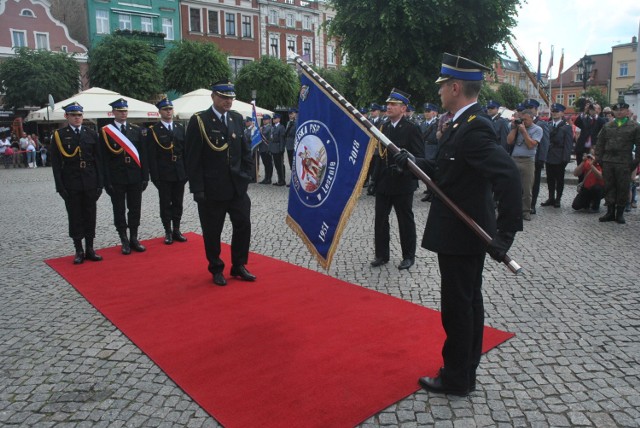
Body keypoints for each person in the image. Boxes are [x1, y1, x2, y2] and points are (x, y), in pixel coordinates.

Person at [394, 52, 522, 396]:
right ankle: (463, 372)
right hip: (457, 233)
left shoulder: (474, 126)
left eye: (441, 87)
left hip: (463, 235)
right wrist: (412, 161)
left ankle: (456, 378)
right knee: (467, 303)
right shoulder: (461, 123)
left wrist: (505, 234)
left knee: (459, 308)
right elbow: (448, 173)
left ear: (454, 87)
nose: (438, 93)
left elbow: (508, 175)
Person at [185, 80, 255, 286]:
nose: (228, 101)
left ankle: (239, 265)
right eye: (224, 97)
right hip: (212, 189)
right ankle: (216, 267)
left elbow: (245, 151)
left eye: (231, 98)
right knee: (212, 231)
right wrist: (197, 188)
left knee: (243, 225)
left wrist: (246, 174)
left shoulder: (236, 118)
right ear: (213, 97)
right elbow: (192, 158)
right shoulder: (199, 121)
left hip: (236, 187)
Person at [369, 88, 424, 270]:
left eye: (394, 104)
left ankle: (408, 256)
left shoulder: (411, 128)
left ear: (403, 108)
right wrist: (374, 178)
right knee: (380, 220)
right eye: (388, 104)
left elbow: (419, 156)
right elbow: (378, 155)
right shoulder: (382, 127)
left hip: (403, 182)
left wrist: (405, 169)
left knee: (405, 220)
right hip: (384, 180)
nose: (389, 106)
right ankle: (382, 255)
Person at [50, 102, 103, 264]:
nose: (77, 118)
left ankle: (90, 248)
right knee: (75, 216)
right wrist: (60, 187)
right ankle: (78, 249)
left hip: (89, 181)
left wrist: (100, 184)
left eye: (79, 115)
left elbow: (98, 160)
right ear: (67, 117)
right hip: (71, 182)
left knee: (90, 215)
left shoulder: (91, 133)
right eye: (73, 115)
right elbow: (56, 164)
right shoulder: (59, 135)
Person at [101, 98, 149, 254]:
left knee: (135, 208)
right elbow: (104, 159)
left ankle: (134, 238)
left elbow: (143, 155)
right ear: (113, 112)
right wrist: (106, 181)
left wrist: (145, 177)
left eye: (125, 111)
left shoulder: (137, 130)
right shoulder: (106, 132)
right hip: (117, 177)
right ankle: (124, 239)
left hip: (134, 176)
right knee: (119, 209)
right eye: (120, 111)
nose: (123, 113)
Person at [147, 97, 188, 245]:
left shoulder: (179, 128)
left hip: (179, 172)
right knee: (165, 203)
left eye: (170, 109)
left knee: (178, 202)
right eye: (165, 109)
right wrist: (154, 176)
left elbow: (185, 152)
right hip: (164, 173)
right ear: (160, 112)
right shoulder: (154, 130)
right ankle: (168, 231)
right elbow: (152, 156)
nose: (169, 112)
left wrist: (186, 172)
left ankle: (176, 229)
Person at [595, 102, 640, 224]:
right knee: (609, 186)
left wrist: (636, 161)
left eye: (622, 110)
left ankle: (620, 213)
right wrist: (599, 159)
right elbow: (600, 143)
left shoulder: (635, 126)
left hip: (624, 161)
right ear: (613, 112)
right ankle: (610, 212)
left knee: (623, 187)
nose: (619, 112)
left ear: (627, 111)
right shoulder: (607, 126)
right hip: (608, 161)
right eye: (617, 110)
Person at [507, 109, 542, 221]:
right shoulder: (517, 128)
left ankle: (526, 211)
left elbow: (531, 145)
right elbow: (509, 141)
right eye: (522, 119)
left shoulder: (537, 129)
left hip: (528, 161)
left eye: (525, 120)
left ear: (532, 118)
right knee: (511, 186)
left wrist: (524, 132)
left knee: (527, 188)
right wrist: (514, 128)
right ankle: (512, 210)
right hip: (514, 159)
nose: (523, 122)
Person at [541, 103, 573, 208]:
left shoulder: (566, 127)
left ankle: (558, 198)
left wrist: (565, 159)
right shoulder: (548, 124)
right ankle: (551, 197)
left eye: (557, 112)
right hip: (549, 155)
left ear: (562, 113)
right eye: (553, 112)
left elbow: (568, 144)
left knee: (559, 179)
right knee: (550, 178)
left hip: (559, 156)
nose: (554, 113)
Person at [523, 99, 549, 215]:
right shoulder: (523, 122)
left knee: (534, 183)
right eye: (527, 107)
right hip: (524, 157)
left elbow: (544, 143)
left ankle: (532, 205)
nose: (529, 110)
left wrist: (542, 159)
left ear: (536, 110)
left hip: (536, 158)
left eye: (531, 108)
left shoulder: (542, 124)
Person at [574, 100, 606, 169]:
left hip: (594, 148)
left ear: (599, 110)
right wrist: (585, 111)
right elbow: (576, 123)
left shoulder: (601, 120)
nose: (591, 110)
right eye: (590, 108)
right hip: (582, 148)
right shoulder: (585, 118)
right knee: (581, 168)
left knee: (593, 169)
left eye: (594, 108)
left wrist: (595, 116)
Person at [269, 113, 286, 186]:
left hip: (278, 148)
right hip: (273, 148)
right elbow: (271, 139)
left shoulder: (281, 127)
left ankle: (282, 180)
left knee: (280, 165)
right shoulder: (273, 127)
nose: (274, 119)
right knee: (276, 165)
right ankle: (279, 179)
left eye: (275, 118)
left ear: (279, 119)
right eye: (273, 118)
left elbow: (282, 139)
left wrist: (281, 149)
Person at [258, 114, 273, 184]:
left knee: (269, 164)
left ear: (269, 120)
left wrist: (269, 149)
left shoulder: (270, 128)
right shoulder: (262, 127)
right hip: (261, 148)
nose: (264, 121)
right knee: (265, 164)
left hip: (267, 148)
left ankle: (269, 178)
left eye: (266, 119)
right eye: (263, 119)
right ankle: (266, 178)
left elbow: (270, 139)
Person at [284, 107, 298, 185]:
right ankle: (292, 179)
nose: (290, 115)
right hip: (289, 145)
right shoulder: (288, 123)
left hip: (294, 144)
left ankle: (294, 181)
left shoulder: (297, 122)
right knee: (290, 163)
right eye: (289, 114)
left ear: (295, 114)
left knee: (295, 163)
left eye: (292, 113)